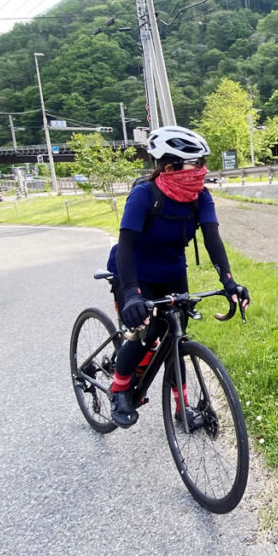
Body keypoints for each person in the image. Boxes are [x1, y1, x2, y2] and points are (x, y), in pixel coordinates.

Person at [106, 125, 250, 428]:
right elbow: (126, 246)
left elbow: (212, 239)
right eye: (195, 164)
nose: (202, 170)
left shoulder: (200, 197)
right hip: (134, 273)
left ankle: (181, 407)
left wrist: (229, 282)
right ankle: (119, 390)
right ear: (170, 167)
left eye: (203, 163)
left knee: (175, 339)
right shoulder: (144, 195)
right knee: (143, 335)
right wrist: (131, 292)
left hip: (173, 273)